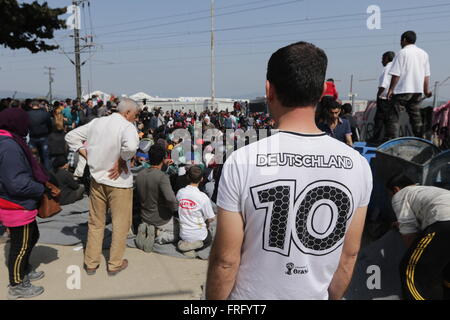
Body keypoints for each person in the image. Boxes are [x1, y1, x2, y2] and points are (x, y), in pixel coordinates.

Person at [205, 42, 373, 300]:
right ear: (320, 93)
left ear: (268, 90)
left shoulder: (242, 161)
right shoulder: (358, 165)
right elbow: (348, 256)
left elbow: (226, 261)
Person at [65, 98, 140, 276]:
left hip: (97, 180)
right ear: (127, 113)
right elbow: (131, 147)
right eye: (135, 115)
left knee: (96, 222)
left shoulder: (97, 122)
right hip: (119, 182)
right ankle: (114, 263)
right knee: (120, 224)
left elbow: (71, 136)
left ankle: (91, 262)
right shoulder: (126, 126)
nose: (135, 119)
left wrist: (85, 154)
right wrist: (122, 159)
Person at [0, 108, 47, 299]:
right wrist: (39, 189)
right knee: (20, 245)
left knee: (31, 237)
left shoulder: (10, 140)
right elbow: (16, 182)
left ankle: (25, 268)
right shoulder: (9, 146)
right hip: (16, 204)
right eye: (24, 121)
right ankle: (17, 284)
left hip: (18, 202)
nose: (27, 125)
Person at [387, 174, 450, 300]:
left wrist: (415, 257)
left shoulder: (401, 194)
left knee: (410, 272)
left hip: (444, 222)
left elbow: (409, 232)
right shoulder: (429, 190)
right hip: (445, 222)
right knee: (447, 271)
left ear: (396, 189)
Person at [387, 31, 432, 139]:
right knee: (416, 119)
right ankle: (421, 140)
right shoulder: (424, 54)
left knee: (394, 118)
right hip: (417, 91)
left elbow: (396, 74)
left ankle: (393, 142)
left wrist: (391, 89)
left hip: (402, 90)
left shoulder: (402, 53)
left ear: (404, 40)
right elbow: (426, 76)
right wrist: (426, 91)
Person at [176, 166, 215, 258]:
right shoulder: (203, 197)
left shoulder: (180, 193)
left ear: (187, 177)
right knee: (210, 236)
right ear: (201, 179)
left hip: (184, 235)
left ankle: (187, 248)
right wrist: (206, 222)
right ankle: (195, 246)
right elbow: (211, 218)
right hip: (200, 235)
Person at [368, 51, 396, 143]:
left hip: (384, 97)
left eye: (382, 59)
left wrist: (378, 94)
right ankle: (387, 137)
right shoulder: (396, 67)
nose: (381, 61)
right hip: (393, 98)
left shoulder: (387, 68)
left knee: (379, 119)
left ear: (387, 58)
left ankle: (377, 138)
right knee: (389, 119)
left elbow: (383, 84)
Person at [27, 100, 53, 170]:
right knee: (46, 157)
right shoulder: (45, 114)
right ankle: (48, 174)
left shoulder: (27, 114)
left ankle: (33, 171)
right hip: (44, 137)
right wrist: (49, 133)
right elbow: (50, 125)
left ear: (31, 105)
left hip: (32, 137)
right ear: (39, 105)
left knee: (32, 157)